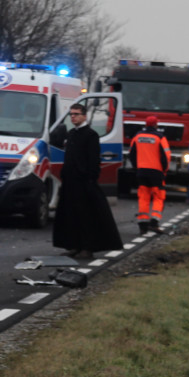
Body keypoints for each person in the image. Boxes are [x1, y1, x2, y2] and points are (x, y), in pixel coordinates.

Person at [52, 104, 123, 260]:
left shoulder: (90, 135)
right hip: (70, 182)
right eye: (71, 114)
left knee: (86, 215)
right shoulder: (71, 133)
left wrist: (90, 178)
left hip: (83, 182)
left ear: (84, 116)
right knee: (70, 215)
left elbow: (93, 160)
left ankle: (87, 247)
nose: (73, 117)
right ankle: (73, 245)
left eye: (76, 114)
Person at [128, 115, 171, 234]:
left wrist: (137, 168)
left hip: (141, 171)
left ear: (146, 124)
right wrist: (165, 170)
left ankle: (142, 225)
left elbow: (131, 154)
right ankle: (154, 223)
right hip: (156, 172)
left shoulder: (138, 136)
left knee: (143, 197)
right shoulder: (160, 137)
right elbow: (166, 157)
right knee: (158, 196)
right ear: (156, 124)